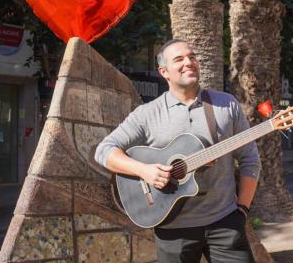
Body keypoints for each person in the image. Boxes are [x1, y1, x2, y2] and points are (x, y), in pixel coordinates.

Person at [94, 39, 260, 262]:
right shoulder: (147, 114)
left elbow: (250, 159)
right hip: (173, 228)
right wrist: (143, 171)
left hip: (225, 222)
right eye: (179, 59)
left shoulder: (226, 105)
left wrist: (242, 210)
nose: (189, 62)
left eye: (192, 57)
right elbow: (104, 150)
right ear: (164, 72)